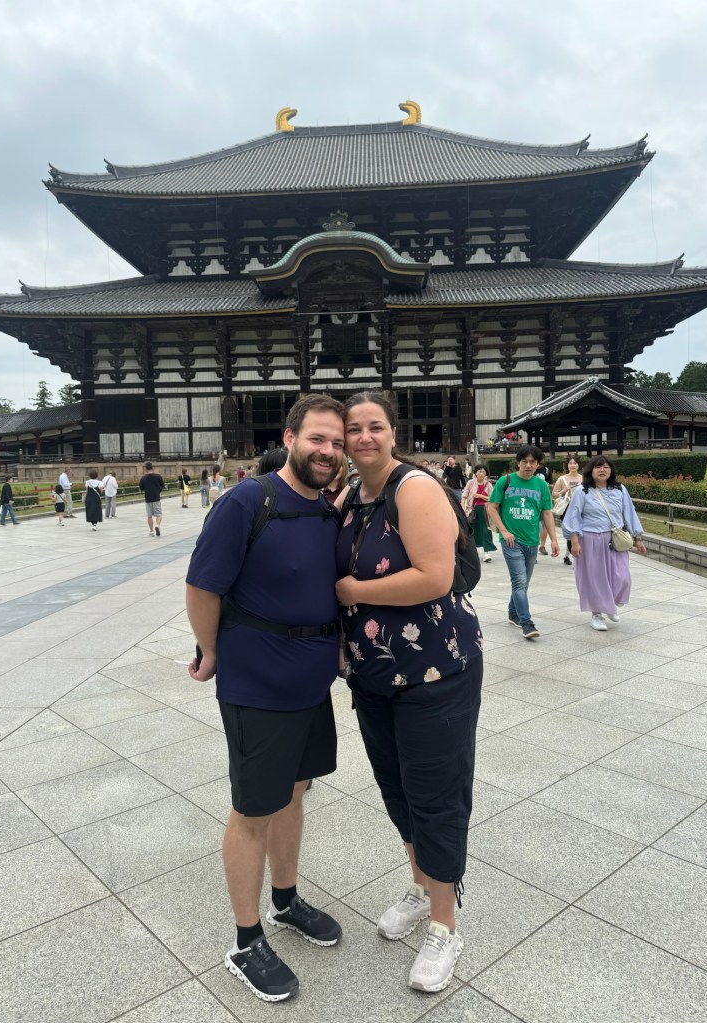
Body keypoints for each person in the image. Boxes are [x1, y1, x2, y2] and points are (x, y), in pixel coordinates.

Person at [186, 394, 346, 1003]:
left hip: (311, 682)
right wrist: (212, 652)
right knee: (253, 810)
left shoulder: (327, 510)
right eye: (318, 439)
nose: (328, 451)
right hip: (257, 683)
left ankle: (285, 899)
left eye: (336, 443)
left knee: (295, 793)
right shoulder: (247, 502)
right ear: (290, 438)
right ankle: (245, 939)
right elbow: (202, 587)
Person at [335, 391, 483, 994]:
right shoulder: (350, 498)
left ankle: (445, 925)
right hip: (374, 675)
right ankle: (421, 887)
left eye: (375, 426)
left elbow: (435, 577)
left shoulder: (414, 488)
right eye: (353, 428)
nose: (364, 437)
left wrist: (354, 593)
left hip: (434, 671)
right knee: (397, 787)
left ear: (393, 433)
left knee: (436, 793)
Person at [562, 455, 646, 631]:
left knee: (622, 577)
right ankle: (597, 614)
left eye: (606, 467)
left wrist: (638, 538)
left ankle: (609, 604)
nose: (602, 470)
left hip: (614, 539)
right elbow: (573, 516)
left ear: (611, 471)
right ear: (591, 471)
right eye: (598, 467)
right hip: (590, 539)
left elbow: (629, 513)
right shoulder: (583, 491)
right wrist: (575, 542)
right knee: (595, 578)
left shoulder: (620, 489)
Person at [486, 445, 559, 640]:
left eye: (532, 462)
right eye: (524, 461)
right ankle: (526, 623)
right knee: (519, 580)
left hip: (532, 540)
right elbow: (492, 507)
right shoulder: (506, 481)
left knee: (523, 582)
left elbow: (547, 513)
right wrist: (504, 531)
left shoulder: (541, 485)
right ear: (518, 462)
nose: (528, 465)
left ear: (538, 464)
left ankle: (513, 614)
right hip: (511, 540)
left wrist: (553, 540)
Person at [461, 465, 497, 563]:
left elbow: (492, 498)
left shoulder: (488, 485)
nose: (482, 473)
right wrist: (463, 508)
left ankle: (486, 552)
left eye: (484, 472)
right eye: (480, 471)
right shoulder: (470, 483)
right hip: (472, 510)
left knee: (486, 530)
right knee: (471, 531)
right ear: (476, 473)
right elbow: (464, 495)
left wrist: (480, 496)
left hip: (485, 510)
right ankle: (471, 552)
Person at [551, 456, 583, 565]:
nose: (572, 465)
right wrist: (564, 490)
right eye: (570, 463)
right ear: (567, 465)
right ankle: (575, 559)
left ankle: (567, 556)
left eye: (575, 463)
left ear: (579, 465)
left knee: (579, 533)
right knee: (571, 533)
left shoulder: (584, 479)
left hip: (581, 509)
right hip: (567, 509)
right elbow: (554, 495)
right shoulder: (562, 479)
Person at [139, 461, 165, 536]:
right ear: (152, 468)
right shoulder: (158, 476)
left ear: (146, 469)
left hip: (148, 498)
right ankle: (157, 525)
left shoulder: (143, 478)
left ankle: (151, 531)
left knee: (149, 516)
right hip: (156, 497)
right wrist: (158, 490)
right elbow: (162, 485)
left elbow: (141, 488)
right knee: (159, 515)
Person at [534, 459, 554, 555]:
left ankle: (542, 546)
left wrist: (546, 485)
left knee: (544, 523)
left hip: (543, 499)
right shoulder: (530, 469)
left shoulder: (546, 470)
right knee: (533, 524)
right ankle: (533, 547)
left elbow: (552, 485)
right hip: (532, 499)